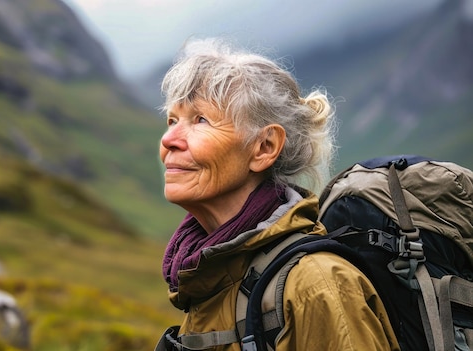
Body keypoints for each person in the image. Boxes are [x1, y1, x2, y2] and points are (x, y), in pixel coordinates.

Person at [157, 37, 400, 351]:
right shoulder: (207, 273)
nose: (169, 139)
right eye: (172, 120)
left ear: (264, 148)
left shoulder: (316, 283)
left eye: (200, 119)